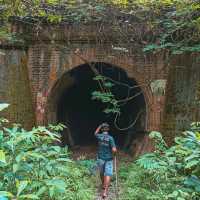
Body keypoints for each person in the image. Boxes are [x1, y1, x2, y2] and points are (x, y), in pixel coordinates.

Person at [94, 123, 117, 198]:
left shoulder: (99, 136)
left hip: (100, 158)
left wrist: (99, 126)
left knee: (101, 172)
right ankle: (105, 191)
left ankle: (103, 184)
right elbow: (114, 149)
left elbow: (95, 133)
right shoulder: (110, 138)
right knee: (108, 174)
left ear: (102, 129)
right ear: (108, 129)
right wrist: (114, 154)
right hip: (109, 159)